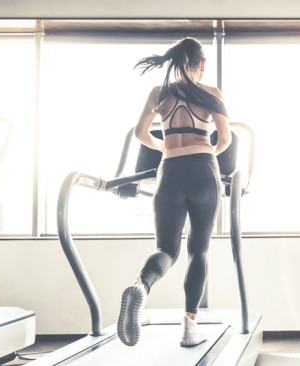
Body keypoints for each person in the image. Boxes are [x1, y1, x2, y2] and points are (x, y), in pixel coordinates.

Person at [117, 37, 231, 348]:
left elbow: (141, 134)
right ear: (202, 64)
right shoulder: (210, 93)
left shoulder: (159, 92)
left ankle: (141, 285)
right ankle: (189, 327)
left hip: (169, 170)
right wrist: (209, 153)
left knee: (167, 249)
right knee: (199, 250)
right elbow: (224, 139)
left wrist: (164, 146)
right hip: (203, 168)